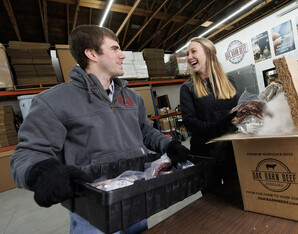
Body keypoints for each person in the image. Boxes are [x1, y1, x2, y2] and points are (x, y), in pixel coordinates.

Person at [10, 25, 190, 234]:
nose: (122, 55)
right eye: (115, 49)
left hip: (137, 193)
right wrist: (41, 171)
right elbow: (27, 154)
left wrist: (170, 144)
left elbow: (146, 132)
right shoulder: (53, 101)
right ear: (92, 53)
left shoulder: (132, 98)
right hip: (93, 208)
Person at [180, 37, 239, 194]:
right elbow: (190, 121)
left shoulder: (230, 81)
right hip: (205, 155)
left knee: (235, 196)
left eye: (193, 51)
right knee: (212, 204)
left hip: (232, 153)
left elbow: (239, 114)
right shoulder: (188, 88)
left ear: (209, 53)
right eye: (187, 53)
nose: (189, 57)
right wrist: (218, 127)